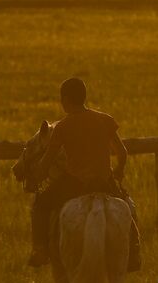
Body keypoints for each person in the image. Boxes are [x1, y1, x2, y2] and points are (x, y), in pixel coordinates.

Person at [28, 77, 141, 272]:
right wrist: (119, 170)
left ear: (66, 99)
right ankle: (134, 252)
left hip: (74, 184)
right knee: (128, 208)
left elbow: (47, 162)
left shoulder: (63, 127)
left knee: (41, 204)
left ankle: (41, 250)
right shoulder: (105, 120)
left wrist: (36, 176)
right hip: (104, 182)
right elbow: (122, 152)